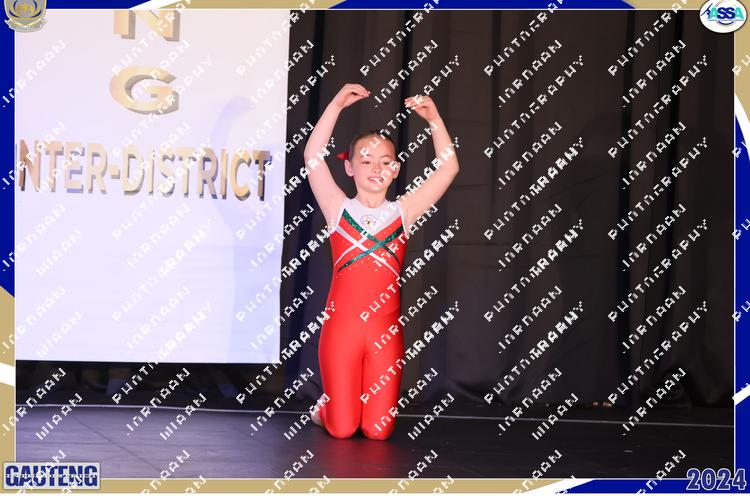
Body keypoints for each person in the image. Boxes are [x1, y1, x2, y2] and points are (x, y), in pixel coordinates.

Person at [302, 83, 459, 439]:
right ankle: (323, 408)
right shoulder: (337, 208)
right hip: (341, 332)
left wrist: (434, 119)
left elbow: (448, 168)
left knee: (378, 431)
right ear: (349, 168)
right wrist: (336, 105)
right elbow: (312, 154)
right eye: (366, 161)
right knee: (342, 429)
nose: (376, 168)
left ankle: (348, 404)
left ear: (396, 169)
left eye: (385, 162)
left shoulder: (404, 211)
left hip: (384, 333)